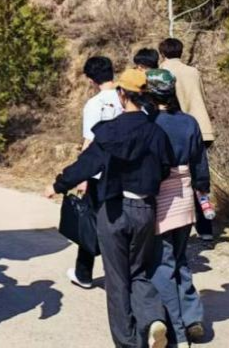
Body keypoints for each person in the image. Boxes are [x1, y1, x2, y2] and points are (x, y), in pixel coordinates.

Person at [47, 68, 173, 348]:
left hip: (114, 210)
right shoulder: (156, 132)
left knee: (117, 280)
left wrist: (59, 184)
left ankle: (128, 342)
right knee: (139, 271)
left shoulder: (109, 131)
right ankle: (153, 318)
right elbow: (165, 168)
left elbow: (87, 164)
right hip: (144, 209)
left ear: (121, 94)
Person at [147, 69, 209, 345]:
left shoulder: (150, 122)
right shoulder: (188, 122)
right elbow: (200, 162)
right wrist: (203, 189)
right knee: (181, 257)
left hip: (160, 195)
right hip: (185, 193)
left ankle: (175, 327)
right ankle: (193, 316)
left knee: (163, 261)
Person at [69, 56, 124, 290]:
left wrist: (82, 176)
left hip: (100, 173)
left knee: (89, 223)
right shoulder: (127, 98)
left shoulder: (94, 104)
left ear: (91, 80)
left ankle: (84, 273)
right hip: (125, 172)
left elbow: (89, 143)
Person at [158, 38, 216, 242]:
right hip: (201, 126)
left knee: (175, 178)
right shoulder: (193, 71)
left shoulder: (162, 73)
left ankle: (175, 224)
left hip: (177, 128)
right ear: (181, 52)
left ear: (162, 53)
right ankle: (205, 228)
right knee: (199, 175)